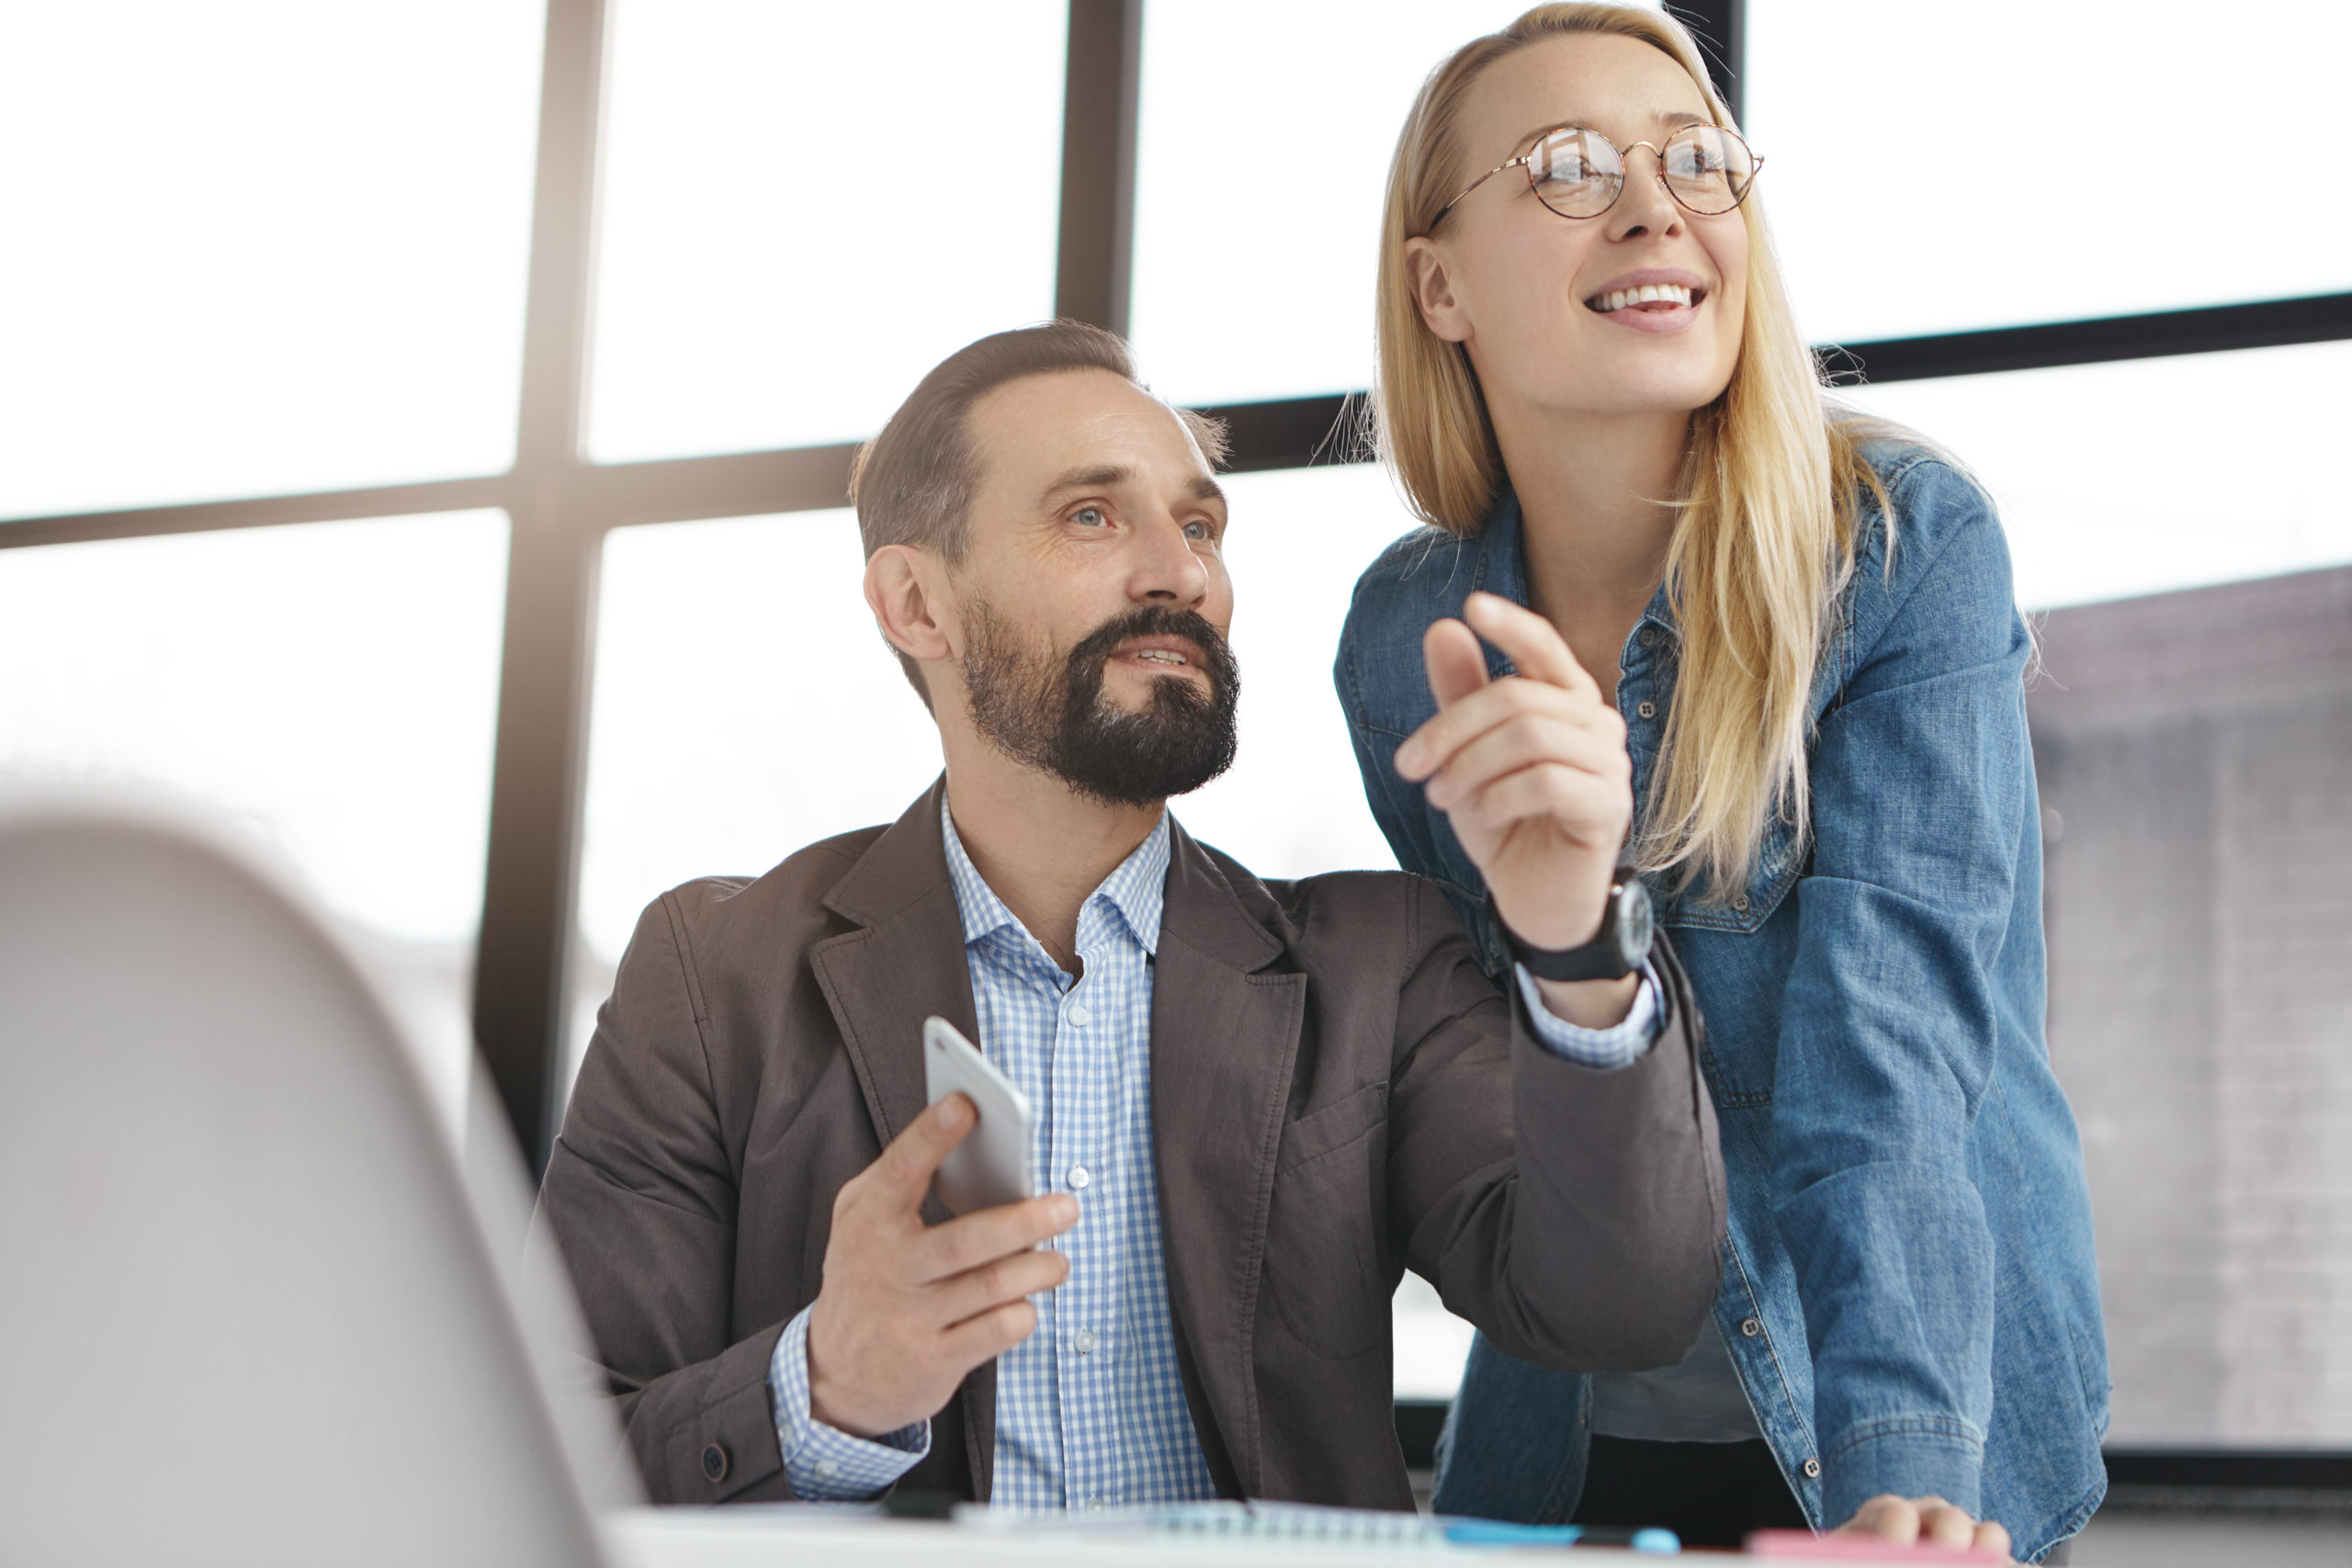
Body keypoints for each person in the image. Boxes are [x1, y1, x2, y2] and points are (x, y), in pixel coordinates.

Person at [532, 321, 1727, 1513]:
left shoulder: (1381, 966)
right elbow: (543, 1452)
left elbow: (1619, 1306)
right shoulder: (711, 979)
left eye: (1200, 523)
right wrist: (826, 1384)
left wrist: (1576, 936)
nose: (1181, 571)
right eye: (1092, 516)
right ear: (916, 603)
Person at [1332, 6, 2107, 1562]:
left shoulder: (1896, 549)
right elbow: (1505, 1070)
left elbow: (1890, 1060)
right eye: (1567, 167)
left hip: (1903, 1424)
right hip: (1575, 1429)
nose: (1655, 207)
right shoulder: (1403, 631)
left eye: (1698, 159)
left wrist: (1902, 1474)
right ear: (1440, 283)